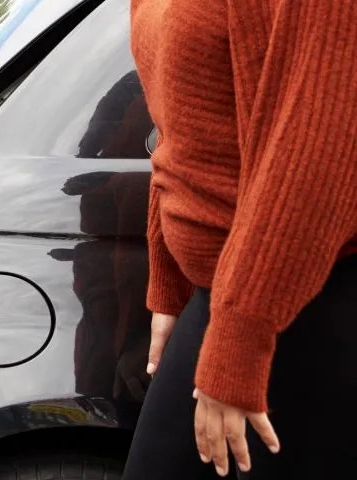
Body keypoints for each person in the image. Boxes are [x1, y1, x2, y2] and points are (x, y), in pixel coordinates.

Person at [124, 1, 357, 479]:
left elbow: (318, 148)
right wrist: (169, 276)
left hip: (304, 303)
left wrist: (240, 343)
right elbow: (180, 115)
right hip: (225, 297)